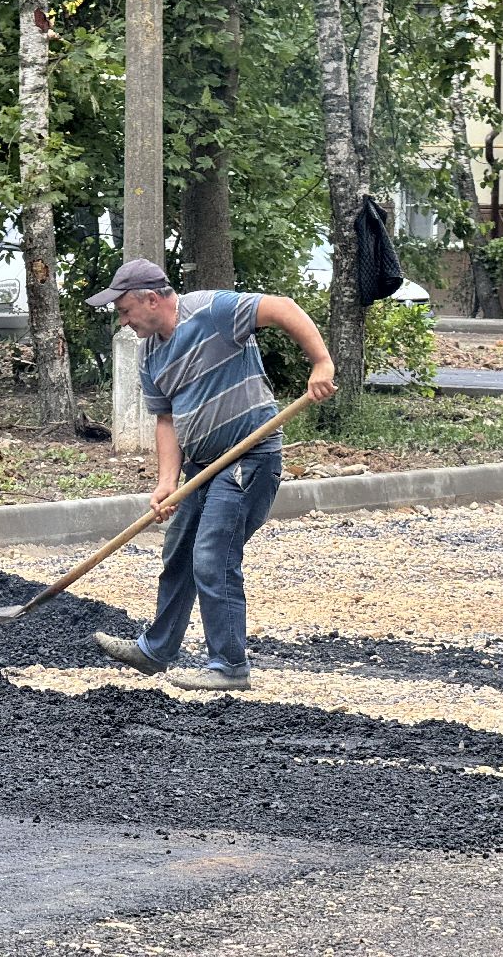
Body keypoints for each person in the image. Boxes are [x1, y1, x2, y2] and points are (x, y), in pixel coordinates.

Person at [84, 258, 336, 691]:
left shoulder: (213, 311)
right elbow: (166, 420)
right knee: (179, 552)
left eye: (125, 311)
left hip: (249, 457)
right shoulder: (150, 353)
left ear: (151, 299)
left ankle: (229, 665)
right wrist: (167, 483)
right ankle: (156, 650)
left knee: (213, 555)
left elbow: (283, 308)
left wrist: (321, 363)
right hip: (202, 467)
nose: (123, 322)